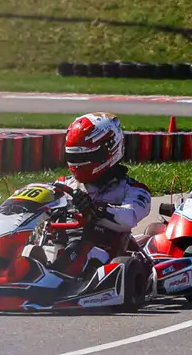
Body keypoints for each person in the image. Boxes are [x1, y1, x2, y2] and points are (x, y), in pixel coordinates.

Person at [60, 113, 154, 269]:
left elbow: (129, 217)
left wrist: (96, 209)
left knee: (81, 251)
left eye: (85, 156)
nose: (78, 163)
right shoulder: (64, 185)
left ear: (109, 150)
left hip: (104, 257)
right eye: (74, 156)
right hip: (61, 248)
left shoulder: (133, 190)